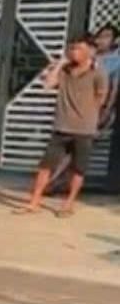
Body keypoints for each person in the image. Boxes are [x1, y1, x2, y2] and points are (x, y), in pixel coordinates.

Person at [19, 38, 109, 217]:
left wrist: (88, 116)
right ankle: (34, 202)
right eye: (72, 48)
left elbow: (101, 98)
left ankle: (69, 203)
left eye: (79, 49)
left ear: (89, 52)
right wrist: (59, 65)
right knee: (45, 166)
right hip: (61, 127)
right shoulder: (65, 71)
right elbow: (48, 85)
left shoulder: (98, 73)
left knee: (78, 169)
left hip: (83, 129)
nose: (74, 52)